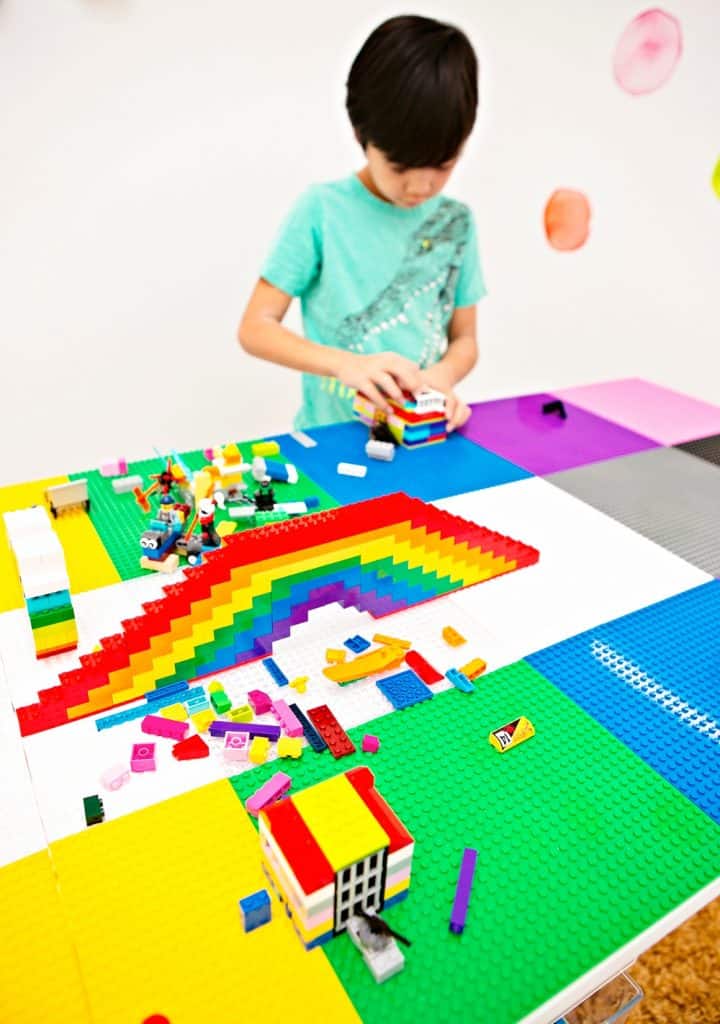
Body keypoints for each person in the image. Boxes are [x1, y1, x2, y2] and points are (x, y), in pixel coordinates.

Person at [238, 15, 486, 433]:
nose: (421, 185)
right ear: (359, 133)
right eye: (401, 166)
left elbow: (465, 340)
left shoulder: (455, 222)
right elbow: (255, 328)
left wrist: (440, 379)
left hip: (422, 438)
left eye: (443, 166)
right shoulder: (322, 210)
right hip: (329, 443)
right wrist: (347, 366)